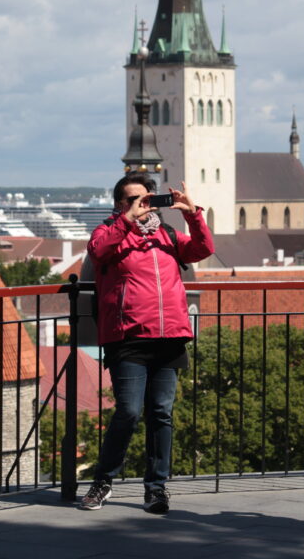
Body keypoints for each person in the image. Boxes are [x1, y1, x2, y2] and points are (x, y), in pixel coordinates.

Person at [78, 173, 214, 513]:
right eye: (133, 200)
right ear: (120, 204)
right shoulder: (109, 232)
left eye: (146, 199)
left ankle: (156, 488)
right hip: (128, 336)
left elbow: (203, 249)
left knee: (161, 413)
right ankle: (103, 480)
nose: (141, 206)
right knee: (128, 411)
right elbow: (98, 251)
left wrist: (190, 212)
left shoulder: (166, 234)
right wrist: (127, 221)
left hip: (169, 336)